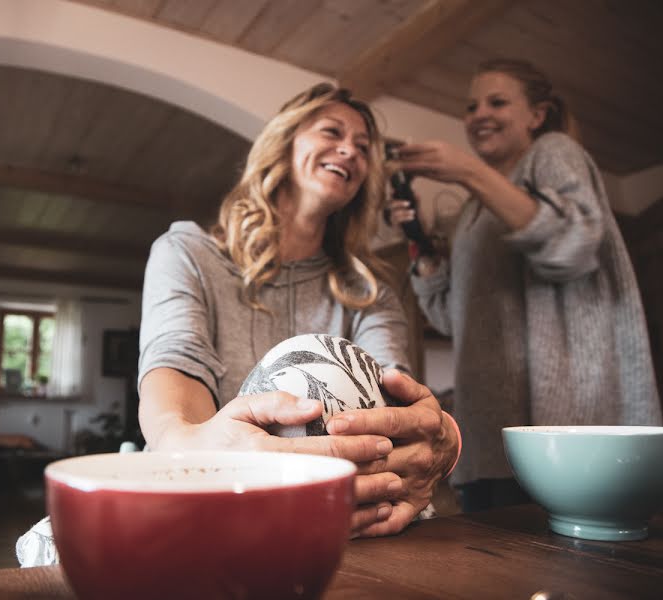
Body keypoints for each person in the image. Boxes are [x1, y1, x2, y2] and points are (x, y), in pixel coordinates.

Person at [137, 83, 461, 537]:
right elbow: (177, 364)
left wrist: (440, 438)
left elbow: (390, 395)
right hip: (201, 514)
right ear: (283, 144)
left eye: (363, 147)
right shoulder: (186, 254)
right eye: (331, 132)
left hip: (336, 525)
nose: (349, 150)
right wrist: (187, 444)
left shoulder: (369, 292)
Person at [389, 59, 663, 512]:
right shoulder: (473, 212)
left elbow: (574, 246)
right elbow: (451, 318)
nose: (479, 114)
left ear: (538, 115)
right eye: (472, 105)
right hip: (490, 438)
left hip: (565, 424)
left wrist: (467, 171)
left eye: (497, 102)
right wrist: (419, 245)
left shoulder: (552, 151)